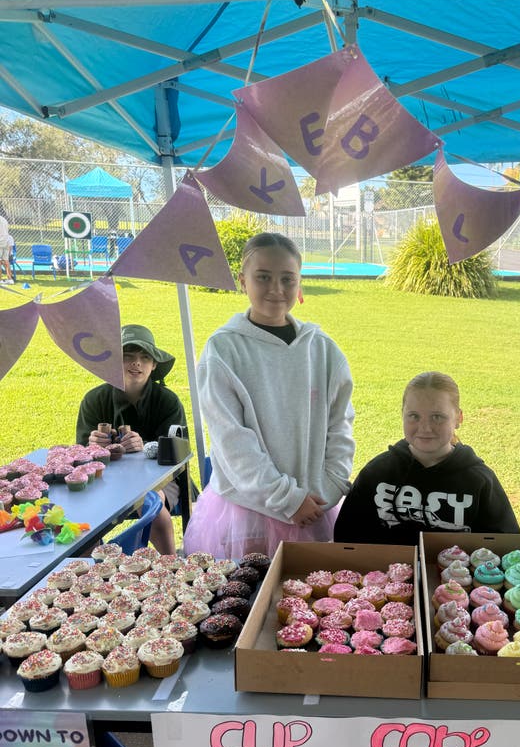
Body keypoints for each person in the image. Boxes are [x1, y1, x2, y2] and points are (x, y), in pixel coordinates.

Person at [182, 232, 355, 560]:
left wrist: (327, 490)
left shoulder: (323, 351)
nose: (276, 289)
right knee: (247, 602)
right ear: (242, 281)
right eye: (263, 277)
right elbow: (233, 442)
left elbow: (340, 425)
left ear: (299, 282)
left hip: (315, 507)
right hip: (247, 510)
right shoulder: (223, 350)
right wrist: (287, 499)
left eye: (287, 279)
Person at [334, 371, 520, 544]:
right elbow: (347, 536)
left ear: (458, 419)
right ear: (402, 416)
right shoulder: (377, 472)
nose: (425, 428)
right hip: (382, 574)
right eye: (414, 416)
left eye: (437, 417)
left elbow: (506, 544)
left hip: (454, 577)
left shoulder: (479, 480)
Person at [76, 324, 187, 555]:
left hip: (160, 479)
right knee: (81, 514)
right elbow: (78, 454)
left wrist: (146, 447)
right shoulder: (94, 400)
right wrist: (92, 447)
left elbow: (179, 452)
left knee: (151, 503)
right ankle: (93, 572)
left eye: (145, 357)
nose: (136, 363)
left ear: (154, 364)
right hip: (105, 480)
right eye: (128, 356)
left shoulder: (168, 401)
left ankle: (171, 564)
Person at [0, 212, 15, 284]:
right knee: (6, 261)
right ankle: (10, 279)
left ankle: (0, 279)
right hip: (6, 241)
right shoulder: (4, 219)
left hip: (0, 241)